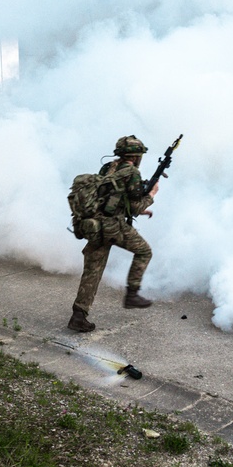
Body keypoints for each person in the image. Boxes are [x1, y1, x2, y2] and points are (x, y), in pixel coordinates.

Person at [68, 135, 158, 333]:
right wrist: (150, 196)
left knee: (92, 271)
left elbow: (112, 199)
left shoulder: (107, 167)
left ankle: (78, 315)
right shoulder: (132, 172)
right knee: (144, 252)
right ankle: (132, 294)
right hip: (112, 227)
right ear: (135, 157)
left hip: (94, 225)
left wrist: (139, 207)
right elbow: (134, 206)